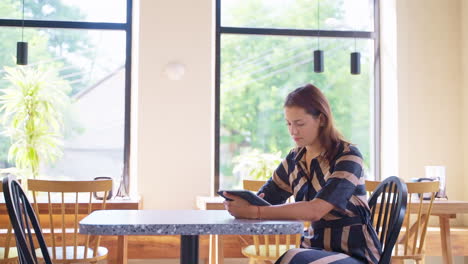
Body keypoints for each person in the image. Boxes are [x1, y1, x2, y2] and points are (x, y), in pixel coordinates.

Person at [223, 83, 381, 264]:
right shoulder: (294, 159)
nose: (293, 131)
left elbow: (316, 210)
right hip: (314, 249)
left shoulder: (348, 157)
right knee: (295, 256)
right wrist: (243, 203)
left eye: (299, 123)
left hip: (356, 255)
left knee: (293, 257)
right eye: (289, 124)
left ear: (321, 119)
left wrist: (256, 211)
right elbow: (268, 198)